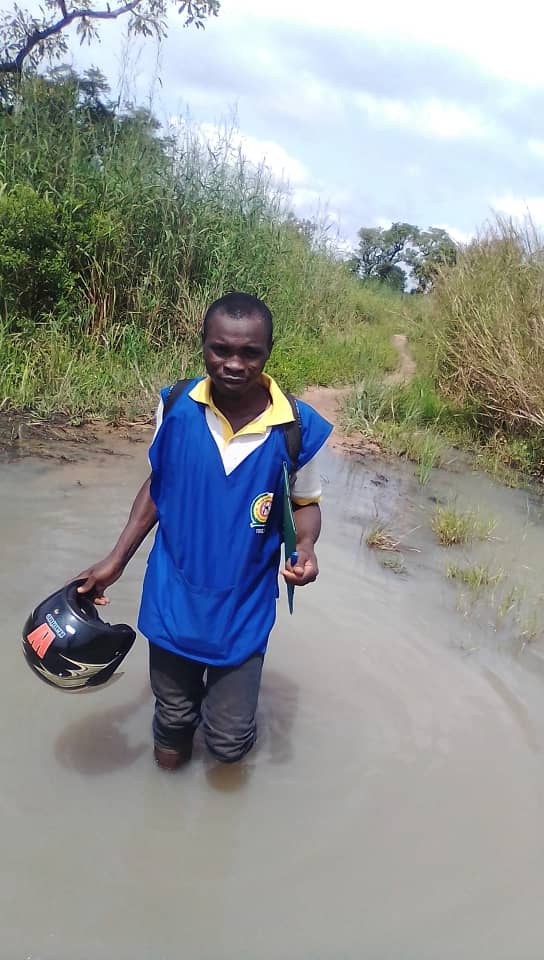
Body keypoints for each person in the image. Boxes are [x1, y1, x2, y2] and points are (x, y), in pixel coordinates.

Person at [77, 292, 332, 770]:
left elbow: (306, 504)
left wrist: (307, 548)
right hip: (174, 594)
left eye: (249, 353)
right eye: (221, 349)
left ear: (268, 351)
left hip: (244, 603)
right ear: (203, 345)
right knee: (172, 722)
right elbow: (160, 486)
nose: (233, 363)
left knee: (227, 741)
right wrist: (116, 560)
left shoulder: (294, 428)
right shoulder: (175, 405)